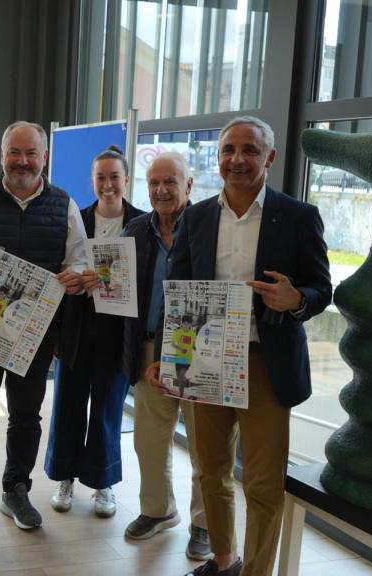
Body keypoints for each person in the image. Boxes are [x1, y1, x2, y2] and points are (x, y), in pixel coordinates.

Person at [146, 117, 332, 576]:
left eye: (250, 150)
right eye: (229, 149)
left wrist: (296, 300)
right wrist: (166, 358)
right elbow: (177, 292)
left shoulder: (298, 216)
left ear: (270, 157)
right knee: (210, 469)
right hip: (206, 361)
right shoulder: (197, 217)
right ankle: (224, 559)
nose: (238, 159)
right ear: (218, 157)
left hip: (267, 363)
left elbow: (321, 289)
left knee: (264, 483)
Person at [0, 120, 87, 537]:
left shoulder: (64, 205)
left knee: (26, 416)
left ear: (45, 157)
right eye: (14, 152)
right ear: (2, 154)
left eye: (31, 153)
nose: (22, 161)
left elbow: (78, 261)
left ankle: (16, 490)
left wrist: (76, 276)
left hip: (36, 332)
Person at [122, 151, 218, 561]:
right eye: (154, 183)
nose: (161, 190)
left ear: (189, 185)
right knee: (149, 440)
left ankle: (205, 523)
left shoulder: (211, 226)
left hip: (198, 351)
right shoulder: (135, 229)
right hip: (148, 349)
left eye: (170, 182)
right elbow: (121, 290)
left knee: (205, 444)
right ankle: (158, 510)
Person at [44, 145, 143, 518]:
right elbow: (59, 272)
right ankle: (64, 478)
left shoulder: (141, 224)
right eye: (101, 177)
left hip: (118, 331)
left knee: (107, 408)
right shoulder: (76, 220)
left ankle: (104, 483)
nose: (108, 184)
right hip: (77, 324)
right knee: (67, 404)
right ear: (92, 181)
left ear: (126, 179)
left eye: (114, 176)